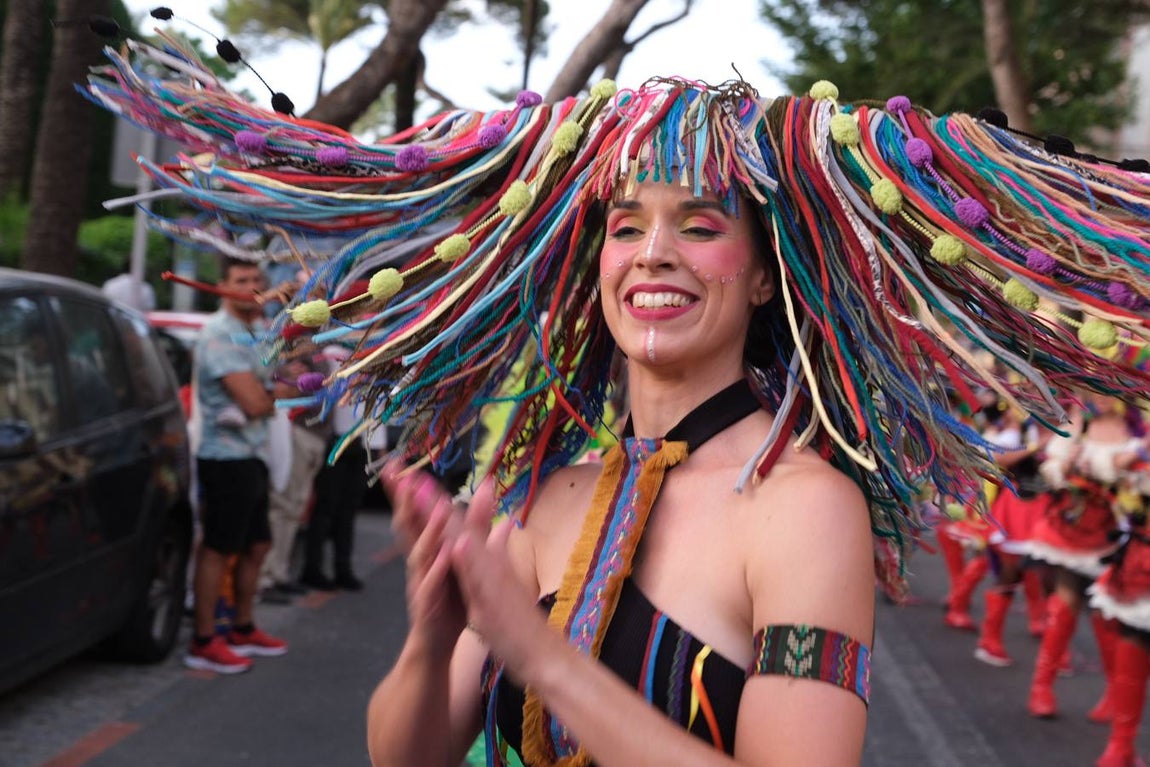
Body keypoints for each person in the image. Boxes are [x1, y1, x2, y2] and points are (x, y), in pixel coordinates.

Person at [87, 42, 1150, 765]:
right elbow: (403, 750)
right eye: (625, 222)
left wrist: (541, 654)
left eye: (699, 222)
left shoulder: (801, 504)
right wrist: (434, 632)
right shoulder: (550, 485)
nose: (653, 253)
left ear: (768, 272)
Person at [184, 256, 290, 674]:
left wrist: (272, 393)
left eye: (256, 280)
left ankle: (243, 627)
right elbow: (256, 401)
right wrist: (274, 394)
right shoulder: (217, 336)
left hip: (254, 455)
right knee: (218, 548)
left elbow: (279, 381)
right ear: (223, 285)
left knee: (256, 545)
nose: (251, 287)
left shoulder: (258, 330)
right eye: (241, 280)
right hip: (224, 458)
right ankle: (204, 639)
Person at [1023, 395, 1143, 719]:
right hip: (1075, 527)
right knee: (1066, 602)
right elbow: (1051, 465)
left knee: (1108, 617)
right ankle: (1042, 688)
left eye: (1109, 390)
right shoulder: (1081, 419)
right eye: (1095, 389)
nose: (1099, 397)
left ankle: (1114, 698)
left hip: (1120, 534)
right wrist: (1064, 466)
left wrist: (1122, 471)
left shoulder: (1140, 428)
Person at [973, 398, 1054, 666]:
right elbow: (998, 459)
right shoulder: (1015, 431)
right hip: (1020, 506)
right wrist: (1035, 448)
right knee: (1011, 573)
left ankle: (1053, 646)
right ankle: (989, 640)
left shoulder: (1064, 428)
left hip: (1047, 508)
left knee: (1048, 577)